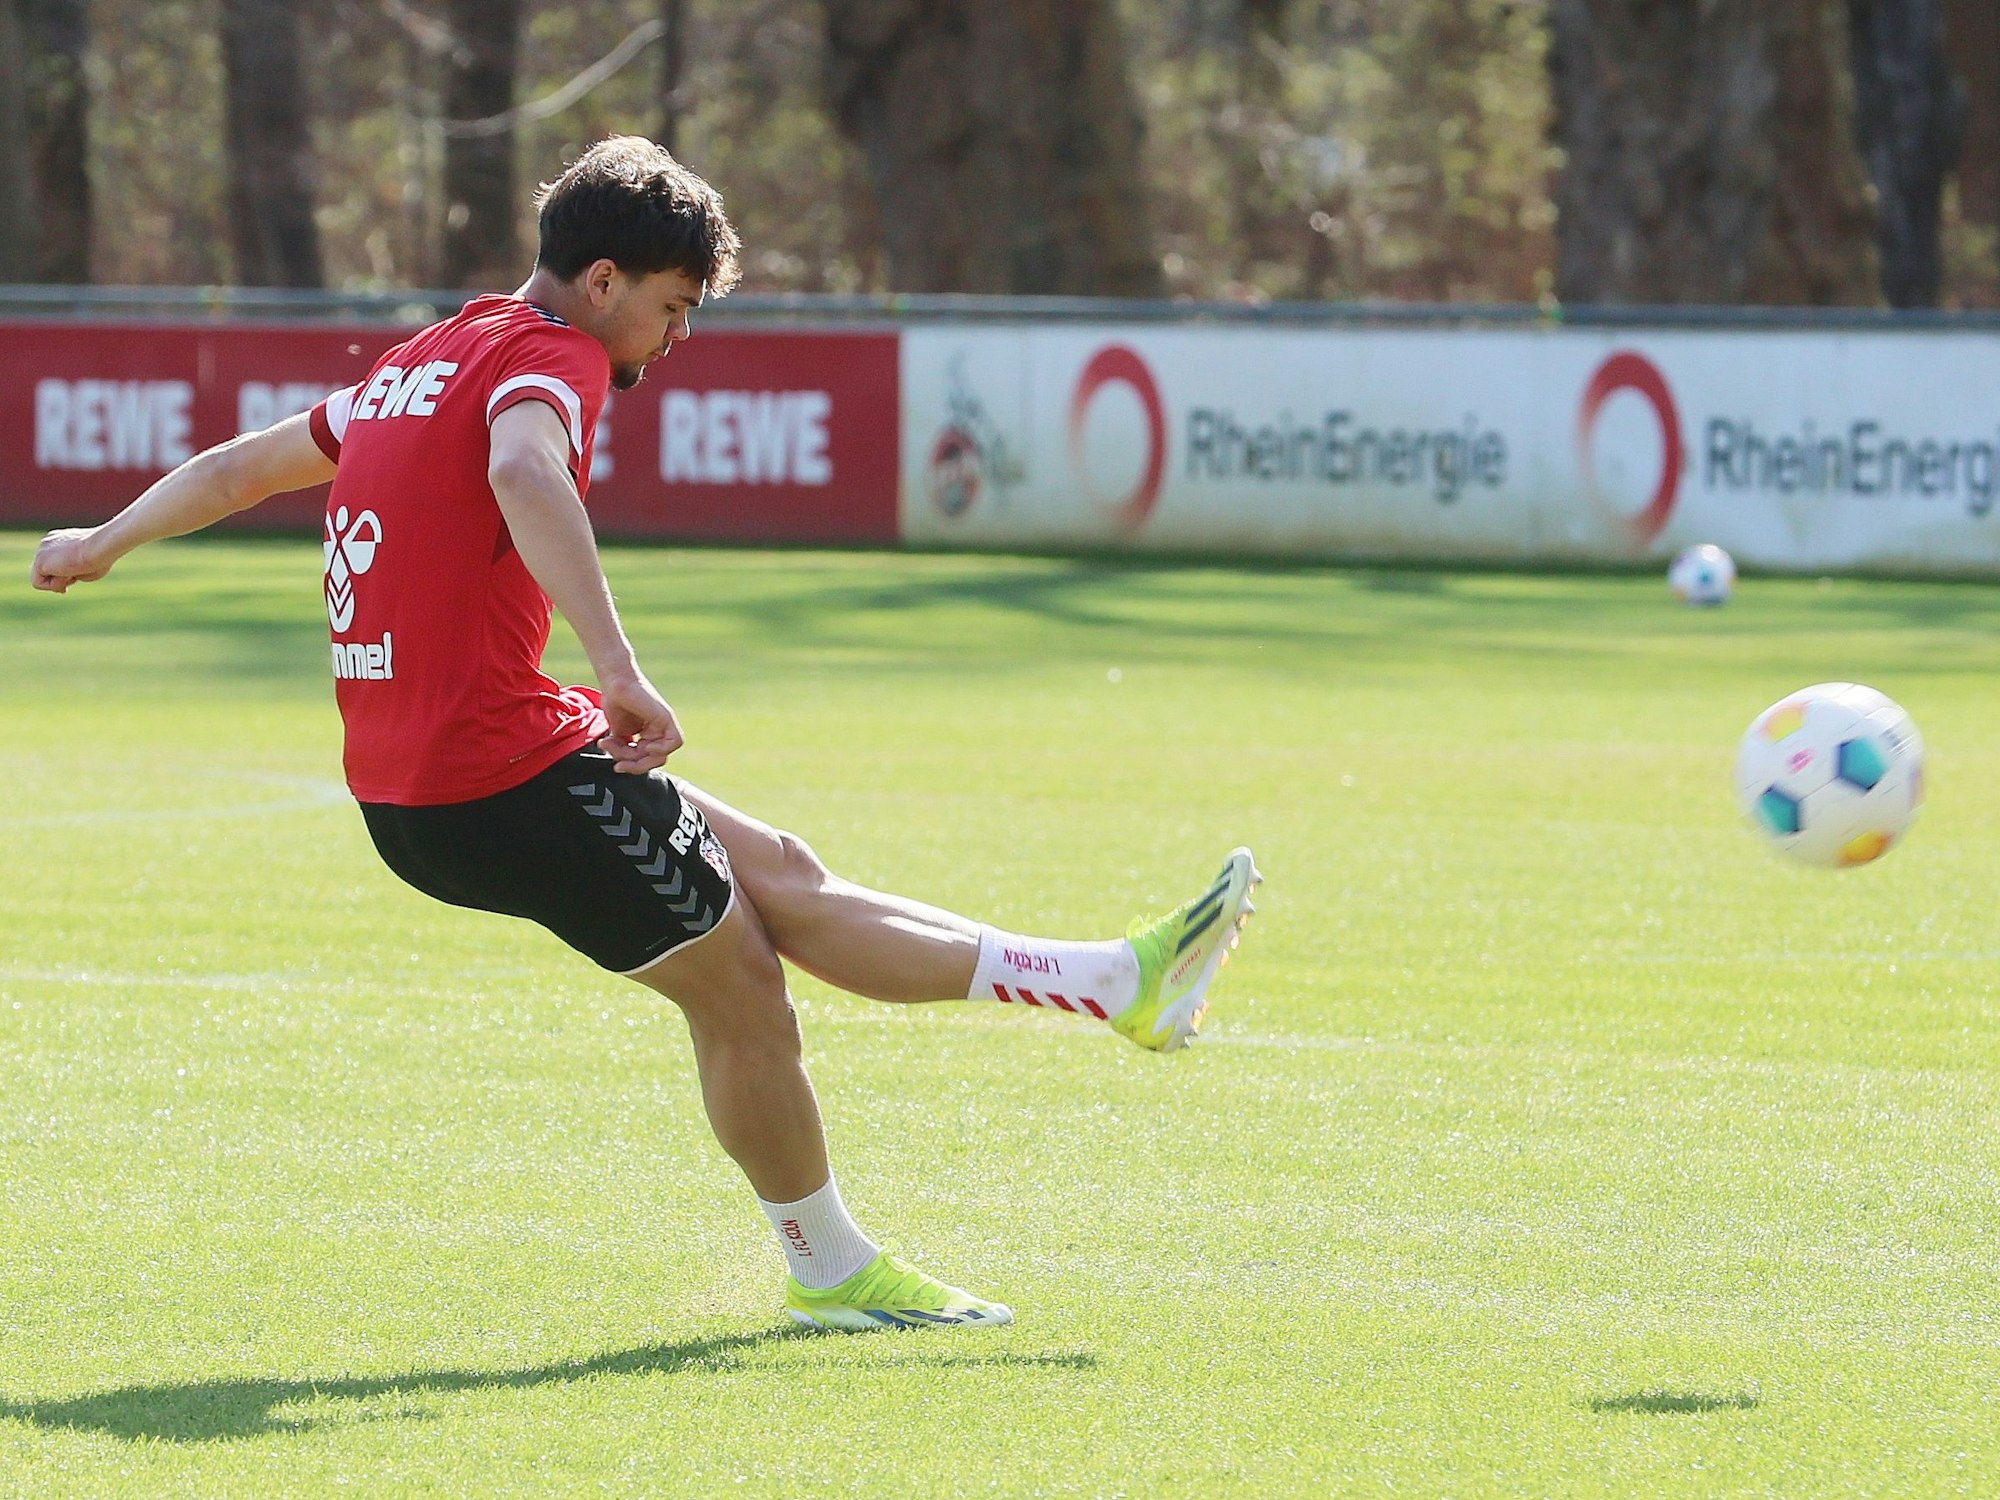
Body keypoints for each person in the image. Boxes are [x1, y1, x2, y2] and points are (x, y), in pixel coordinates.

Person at [29, 136, 1260, 1332]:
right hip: (494, 776)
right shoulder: (550, 356)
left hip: (439, 773)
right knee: (743, 988)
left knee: (780, 872)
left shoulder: (426, 357)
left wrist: (97, 543)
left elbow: (243, 469)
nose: (679, 339)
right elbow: (523, 469)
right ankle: (830, 1267)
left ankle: (1115, 984)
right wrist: (620, 669)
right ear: (602, 280)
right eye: (673, 307)